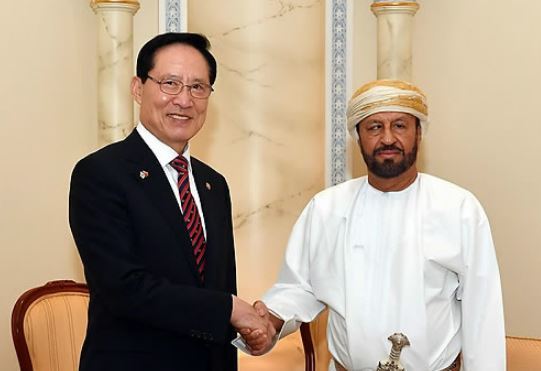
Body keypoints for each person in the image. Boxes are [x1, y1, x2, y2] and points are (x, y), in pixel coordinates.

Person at [239, 80, 506, 370]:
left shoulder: (459, 208)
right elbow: (300, 287)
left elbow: (482, 313)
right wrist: (269, 321)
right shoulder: (327, 208)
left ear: (419, 133)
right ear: (358, 136)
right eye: (374, 127)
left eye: (400, 126)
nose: (388, 138)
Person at [69, 32, 272, 371]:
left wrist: (245, 327)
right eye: (170, 83)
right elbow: (124, 288)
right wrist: (230, 309)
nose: (184, 99)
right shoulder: (100, 173)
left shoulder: (213, 185)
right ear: (138, 88)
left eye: (198, 87)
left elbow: (218, 286)